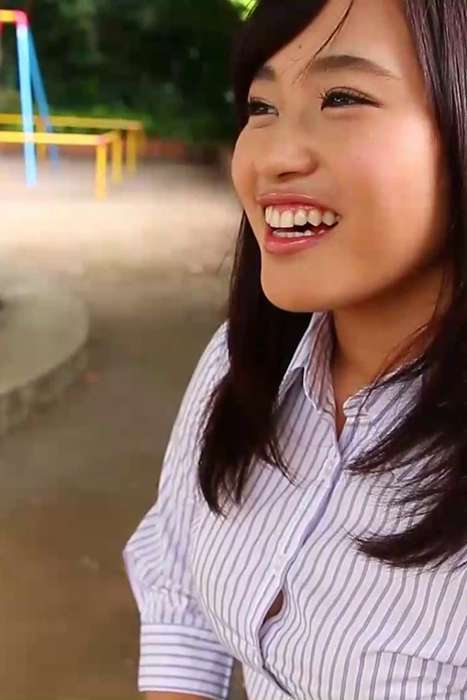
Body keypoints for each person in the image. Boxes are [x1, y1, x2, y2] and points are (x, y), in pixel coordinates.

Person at [123, 0, 467, 698]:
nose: (273, 158)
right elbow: (179, 567)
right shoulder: (241, 361)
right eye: (261, 107)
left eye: (342, 97)